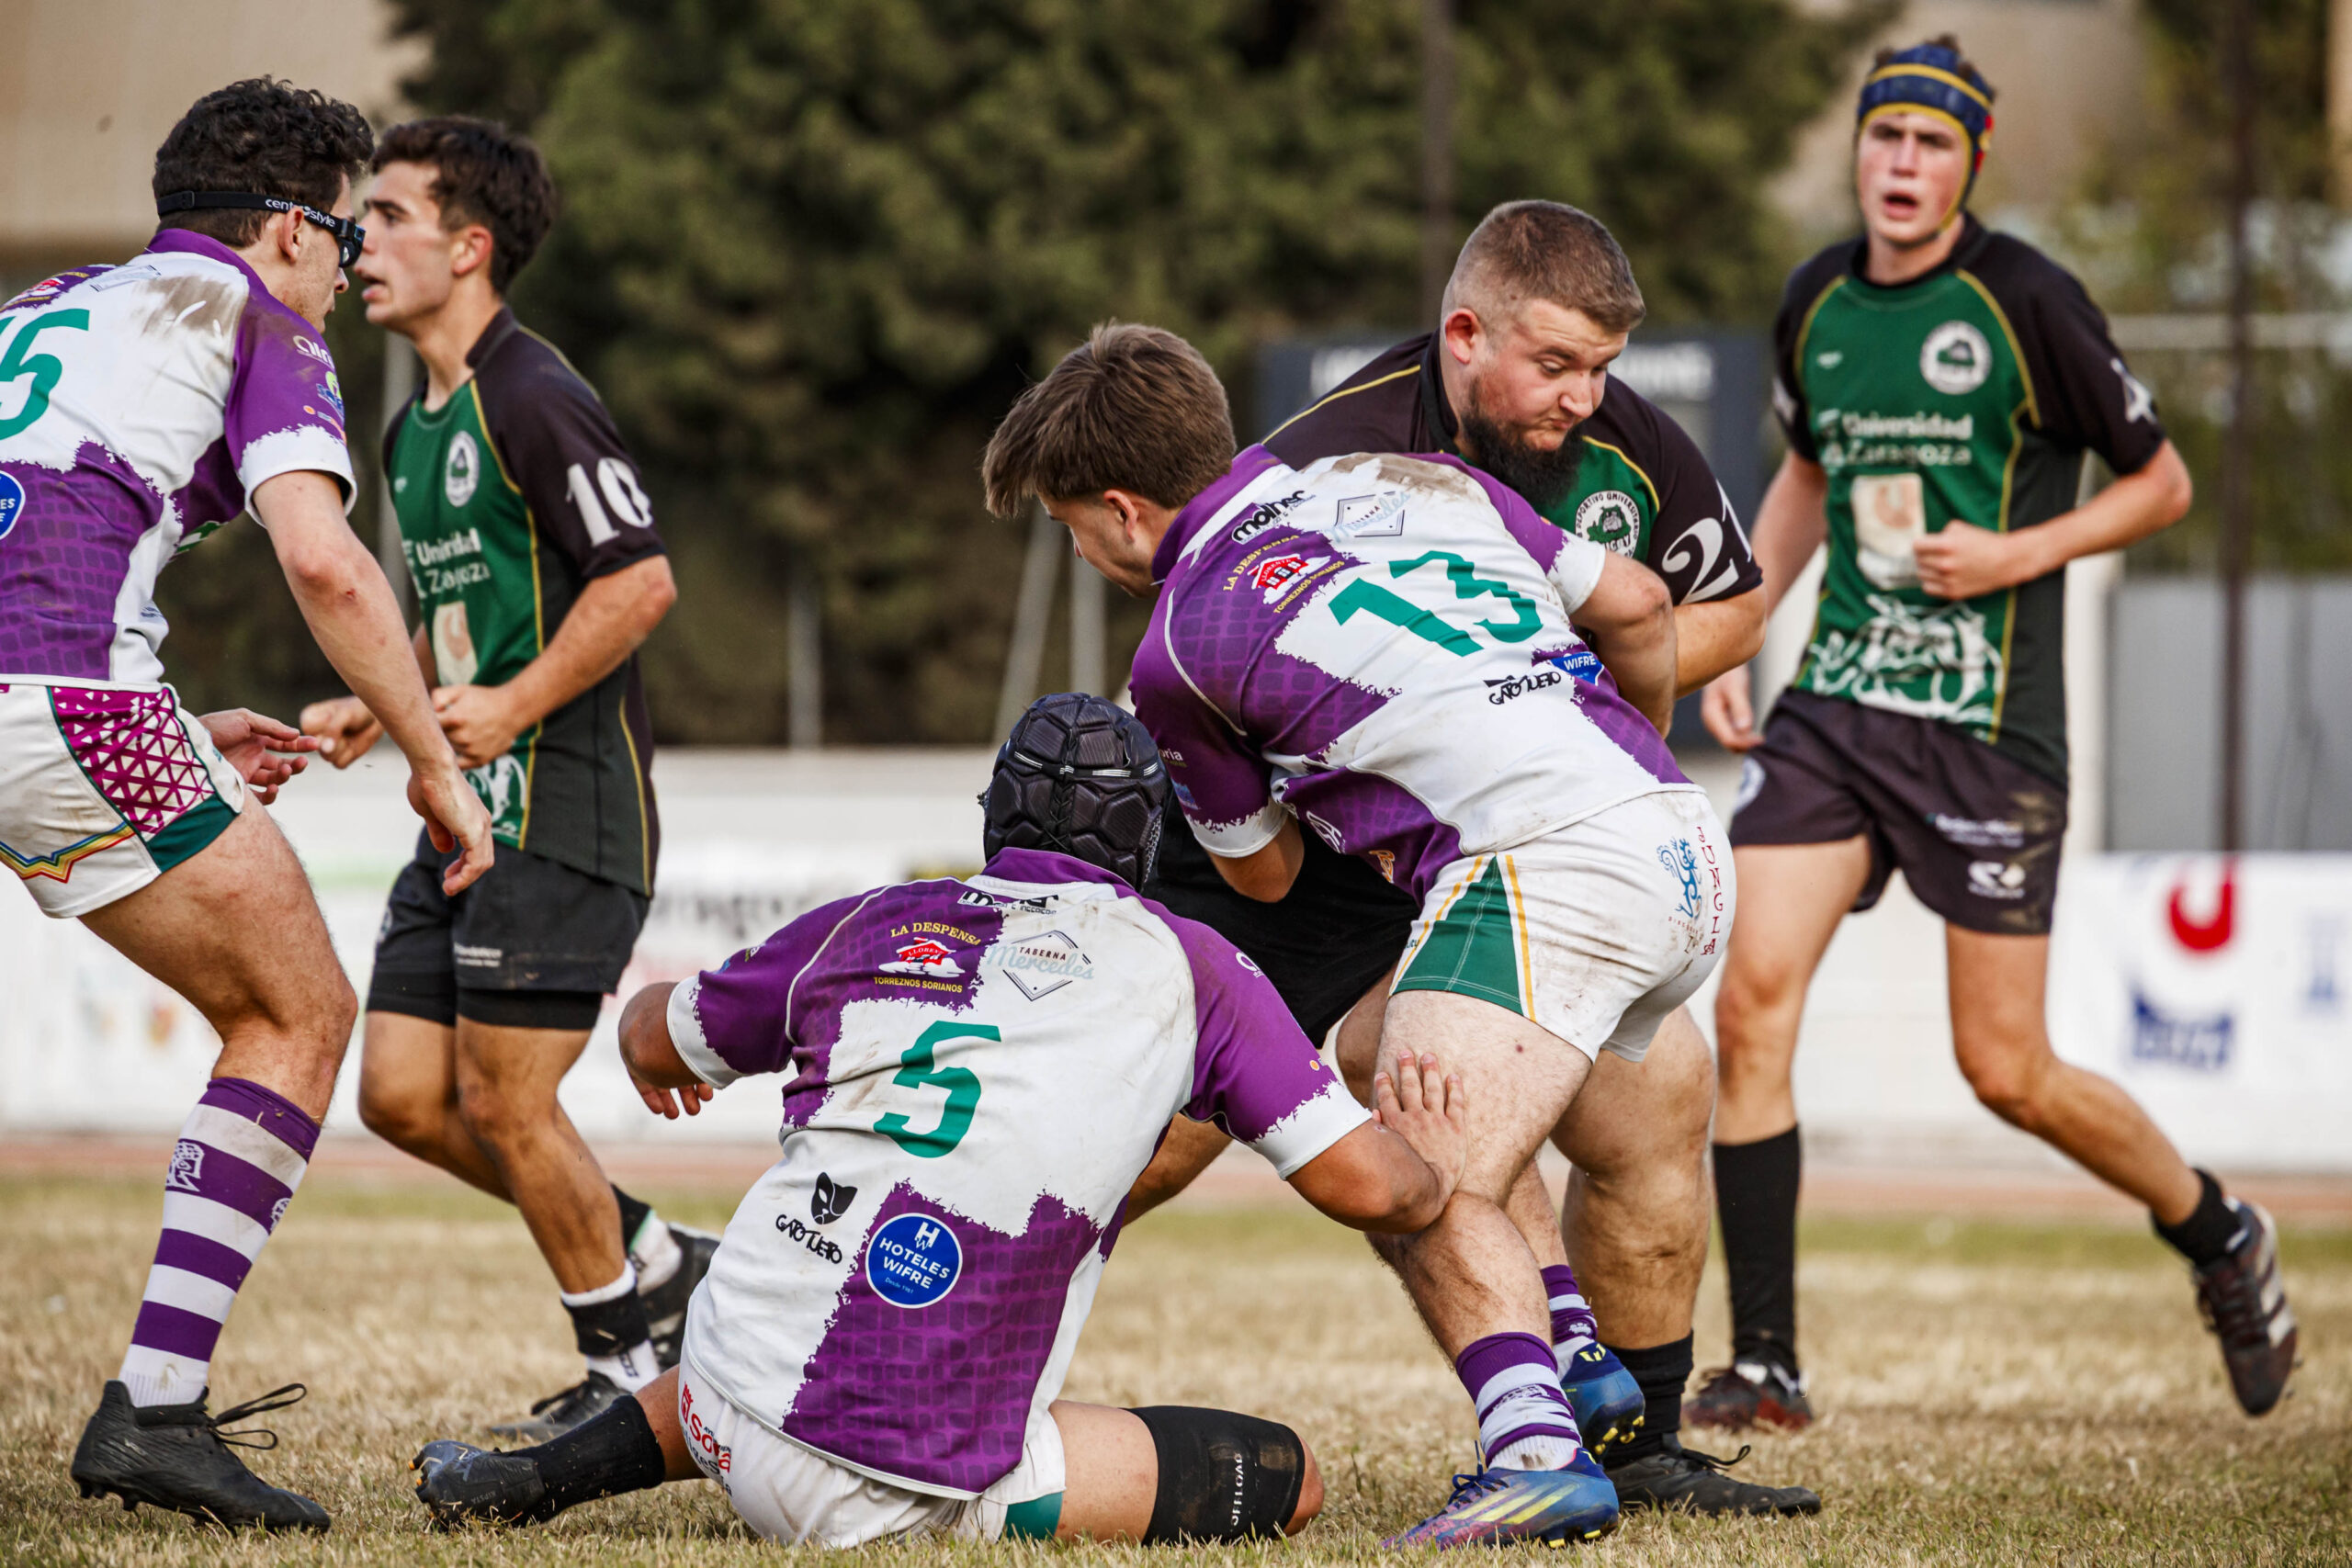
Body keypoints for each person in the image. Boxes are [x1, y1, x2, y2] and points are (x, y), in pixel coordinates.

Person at [981, 324, 1729, 1548]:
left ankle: (1536, 1448)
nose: (1082, 548)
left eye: (1069, 525)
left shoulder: (1176, 653)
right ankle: (1576, 1346)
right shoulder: (1411, 475)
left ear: (1122, 510)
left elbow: (1269, 877)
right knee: (1389, 1045)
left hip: (1547, 864)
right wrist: (1627, 763)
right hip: (1681, 836)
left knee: (1395, 1168)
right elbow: (1643, 605)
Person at [407, 694, 1476, 1547]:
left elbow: (648, 1037)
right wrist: (1431, 1165)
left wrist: (671, 1054)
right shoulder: (1194, 967)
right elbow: (1368, 1189)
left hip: (722, 1395)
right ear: (1152, 838)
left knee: (791, 1311)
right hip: (887, 1496)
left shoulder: (875, 915)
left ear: (992, 815)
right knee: (1290, 1478)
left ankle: (534, 1478)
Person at [1126, 200, 1815, 1517]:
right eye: (1556, 366)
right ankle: (1010, 1248)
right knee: (1197, 1110)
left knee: (1572, 1132)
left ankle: (1610, 1441)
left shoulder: (1621, 436)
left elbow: (1704, 602)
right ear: (1461, 337)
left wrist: (1608, 741)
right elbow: (1222, 683)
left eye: (1605, 366)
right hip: (1375, 840)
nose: (1587, 398)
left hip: (1541, 839)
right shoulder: (1339, 447)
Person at [1692, 36, 2295, 1431]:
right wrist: (1740, 628)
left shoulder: (2029, 300)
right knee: (1749, 996)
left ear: (1972, 164)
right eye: (1885, 139)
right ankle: (1768, 1364)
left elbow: (2162, 484)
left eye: (1933, 146)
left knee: (2005, 1068)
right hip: (1840, 705)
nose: (1902, 166)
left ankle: (2216, 1229)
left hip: (1987, 727)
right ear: (1861, 150)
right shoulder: (1817, 300)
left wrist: (2021, 550)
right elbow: (1800, 472)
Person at [4, 79, 495, 1530]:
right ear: (289, 228)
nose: (348, 271)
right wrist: (435, 759)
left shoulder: (52, 303)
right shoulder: (255, 317)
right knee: (297, 1011)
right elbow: (330, 565)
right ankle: (156, 1407)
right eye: (343, 236)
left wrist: (172, 724)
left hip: (59, 702)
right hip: (65, 705)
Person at [296, 117, 702, 1439]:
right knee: (404, 1092)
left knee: (507, 1100)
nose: (363, 241)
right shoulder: (413, 423)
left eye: (392, 216)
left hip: (569, 805)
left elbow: (639, 579)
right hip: (470, 811)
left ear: (470, 248)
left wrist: (515, 707)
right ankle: (657, 1260)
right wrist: (384, 705)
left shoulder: (531, 391)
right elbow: (473, 613)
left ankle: (625, 1374)